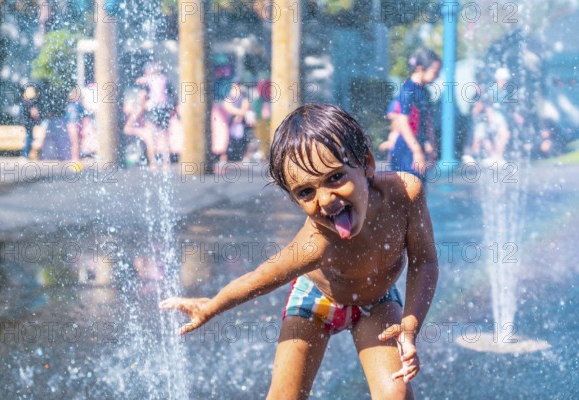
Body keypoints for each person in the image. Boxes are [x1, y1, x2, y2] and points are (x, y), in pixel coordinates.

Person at [160, 104, 439, 399]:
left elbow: (425, 261)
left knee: (397, 394)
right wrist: (210, 306)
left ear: (367, 163)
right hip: (316, 301)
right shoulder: (314, 245)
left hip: (378, 299)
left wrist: (410, 322)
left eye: (335, 178)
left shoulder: (406, 193)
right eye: (306, 192)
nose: (326, 200)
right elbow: (259, 279)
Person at [391, 49, 441, 180]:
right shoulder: (408, 90)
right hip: (406, 147)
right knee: (407, 191)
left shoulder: (425, 92)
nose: (437, 76)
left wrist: (431, 144)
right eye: (435, 72)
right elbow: (402, 123)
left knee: (419, 191)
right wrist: (416, 151)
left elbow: (427, 120)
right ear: (420, 68)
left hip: (418, 144)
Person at [20, 86, 41, 159]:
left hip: (26, 122)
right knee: (29, 138)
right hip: (30, 123)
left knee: (29, 138)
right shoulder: (32, 103)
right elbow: (34, 113)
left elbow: (22, 113)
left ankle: (25, 155)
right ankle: (24, 155)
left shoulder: (25, 102)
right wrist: (38, 119)